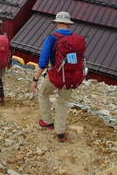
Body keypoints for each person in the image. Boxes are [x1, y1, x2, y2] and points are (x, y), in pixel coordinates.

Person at [31, 11, 86, 143]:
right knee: (63, 102)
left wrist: (35, 80)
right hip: (71, 77)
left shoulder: (51, 38)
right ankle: (60, 132)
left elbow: (43, 62)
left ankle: (47, 121)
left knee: (43, 93)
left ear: (56, 23)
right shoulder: (75, 40)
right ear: (68, 24)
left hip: (56, 76)